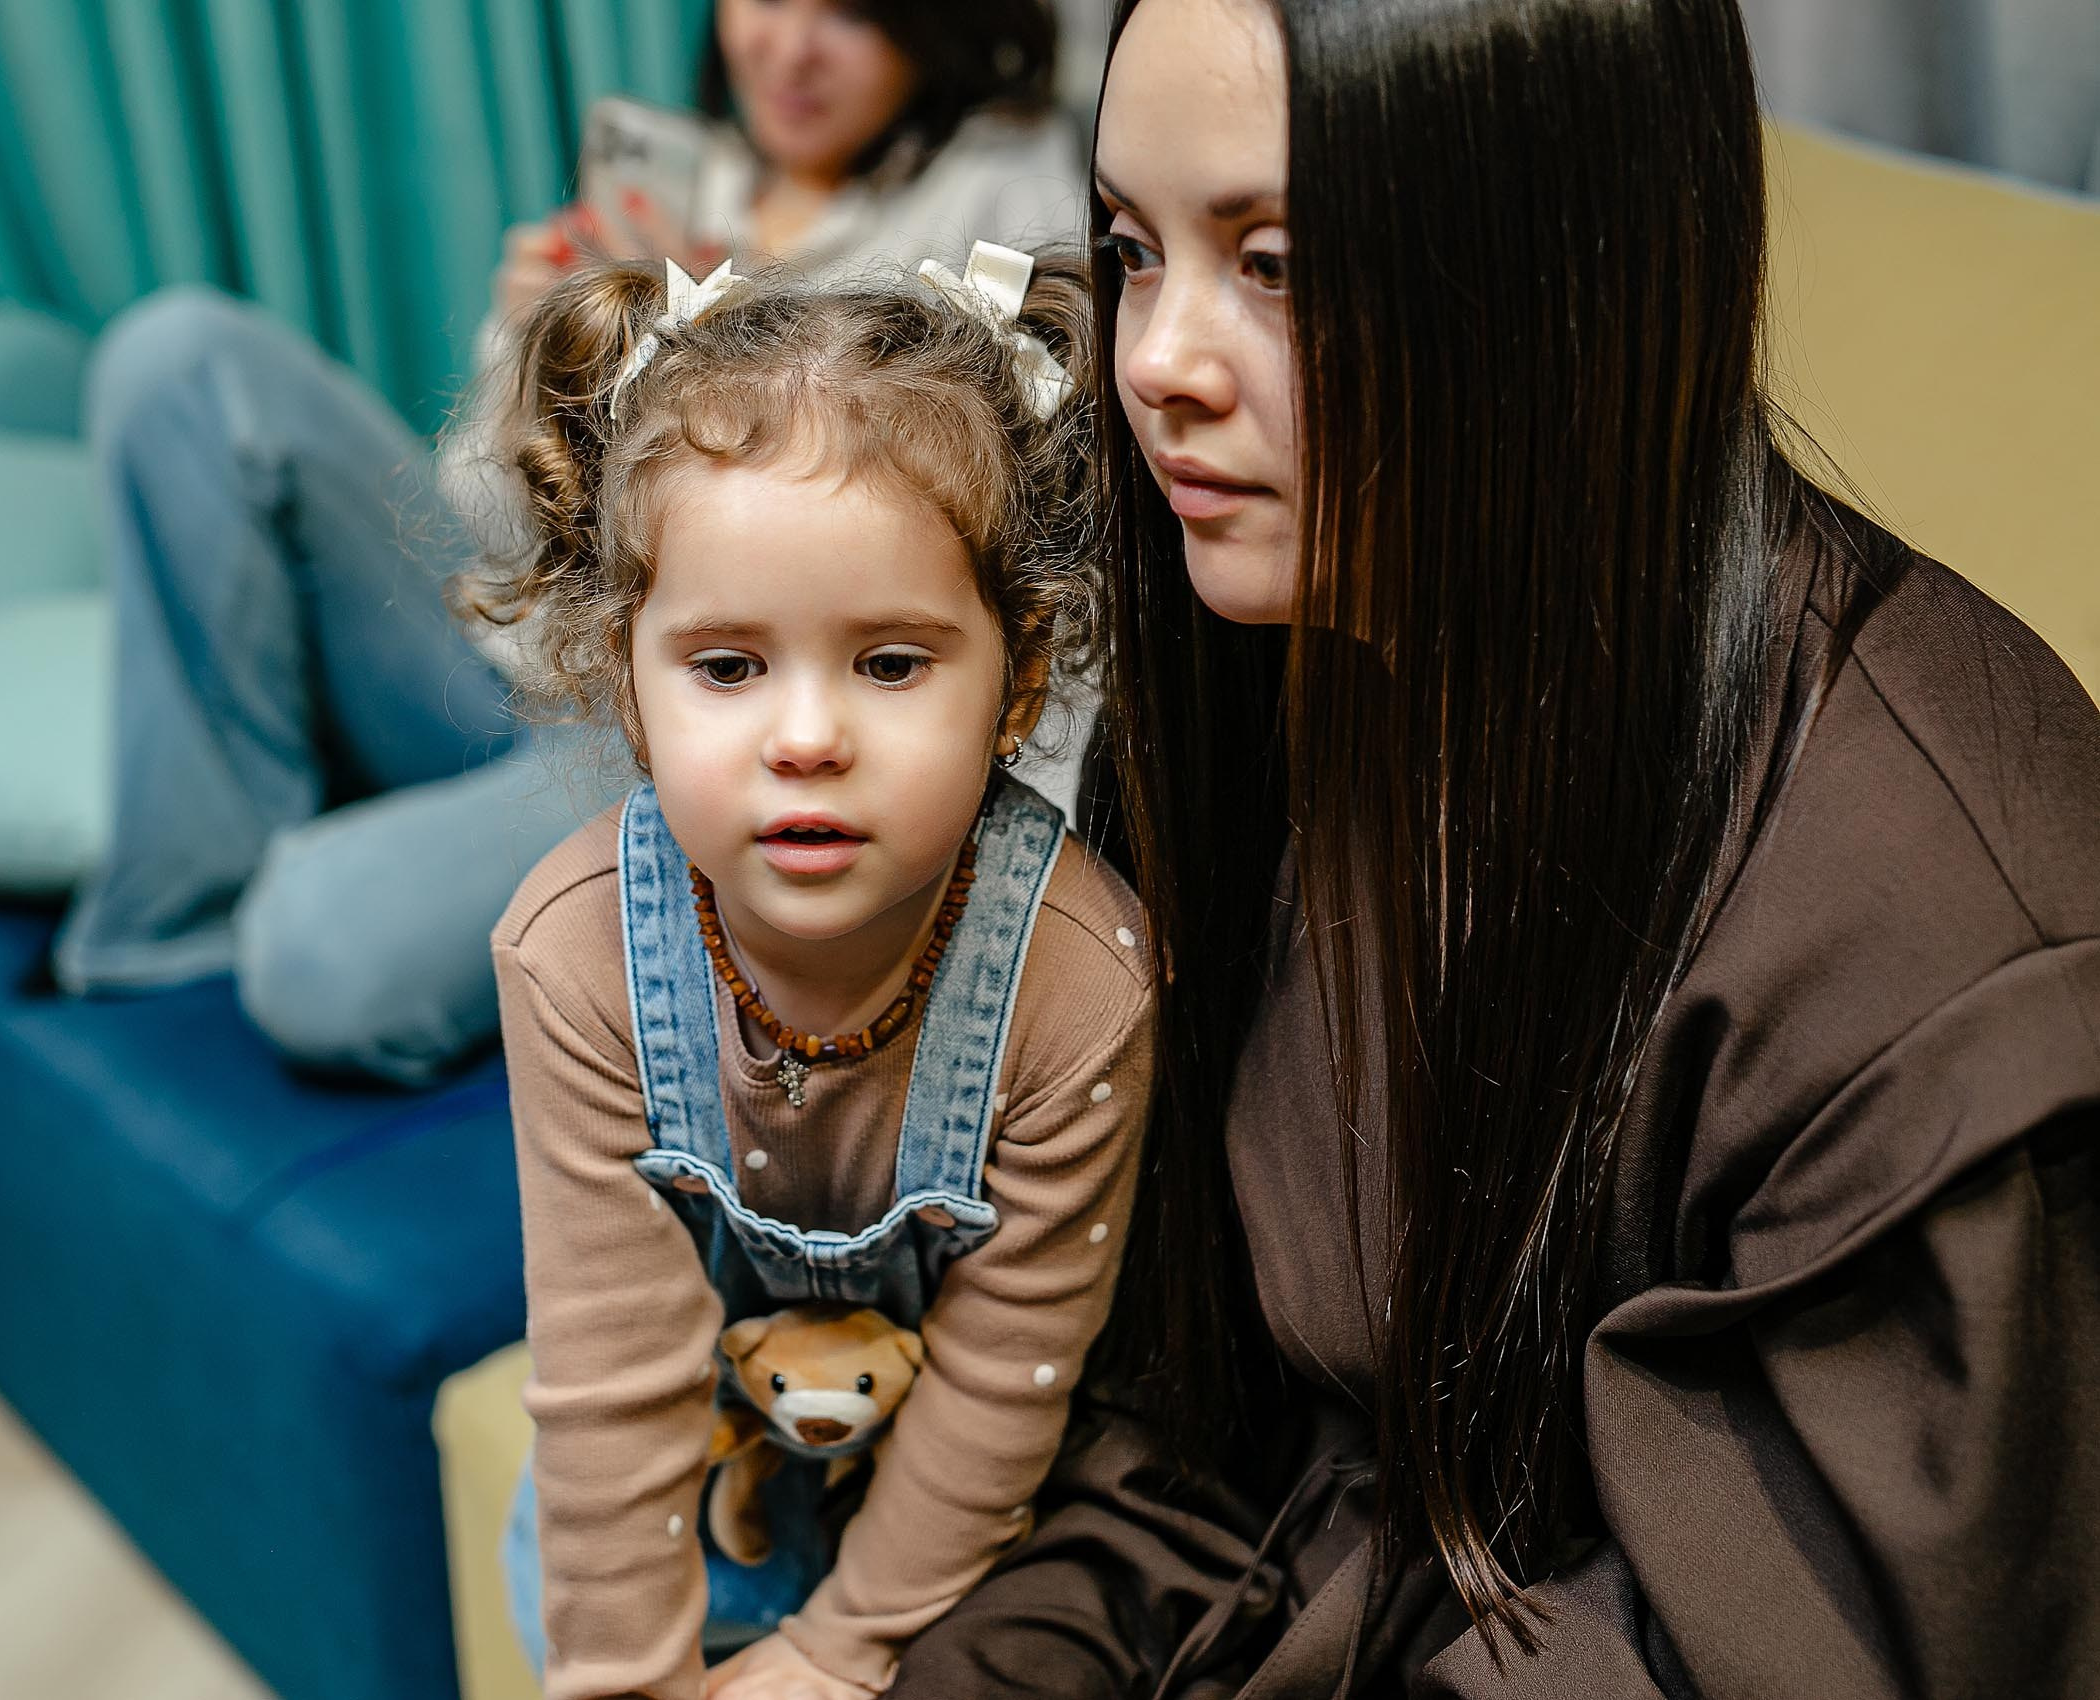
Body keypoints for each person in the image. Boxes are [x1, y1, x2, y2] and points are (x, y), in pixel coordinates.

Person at [887, 0, 2100, 1694]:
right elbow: (1187, 1448)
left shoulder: (1923, 922)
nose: (1155, 359)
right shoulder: (1280, 657)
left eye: (1277, 264)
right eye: (1134, 250)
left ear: (1563, 271)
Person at [50, 0, 1087, 1088]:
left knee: (314, 947)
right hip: (511, 645)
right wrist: (536, 354)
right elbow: (493, 528)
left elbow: (1014, 560)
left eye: (850, 12)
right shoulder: (688, 171)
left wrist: (708, 358)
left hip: (674, 708)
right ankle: (179, 916)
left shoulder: (1000, 185)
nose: (787, 50)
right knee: (182, 359)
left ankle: (354, 862)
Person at [477, 247, 1151, 1700]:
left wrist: (845, 1649)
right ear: (626, 679)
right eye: (726, 667)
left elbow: (1005, 1375)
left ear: (1020, 677)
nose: (805, 739)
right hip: (663, 1523)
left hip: (940, 1546)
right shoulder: (574, 953)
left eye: (891, 663)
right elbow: (610, 1382)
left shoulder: (1077, 987)